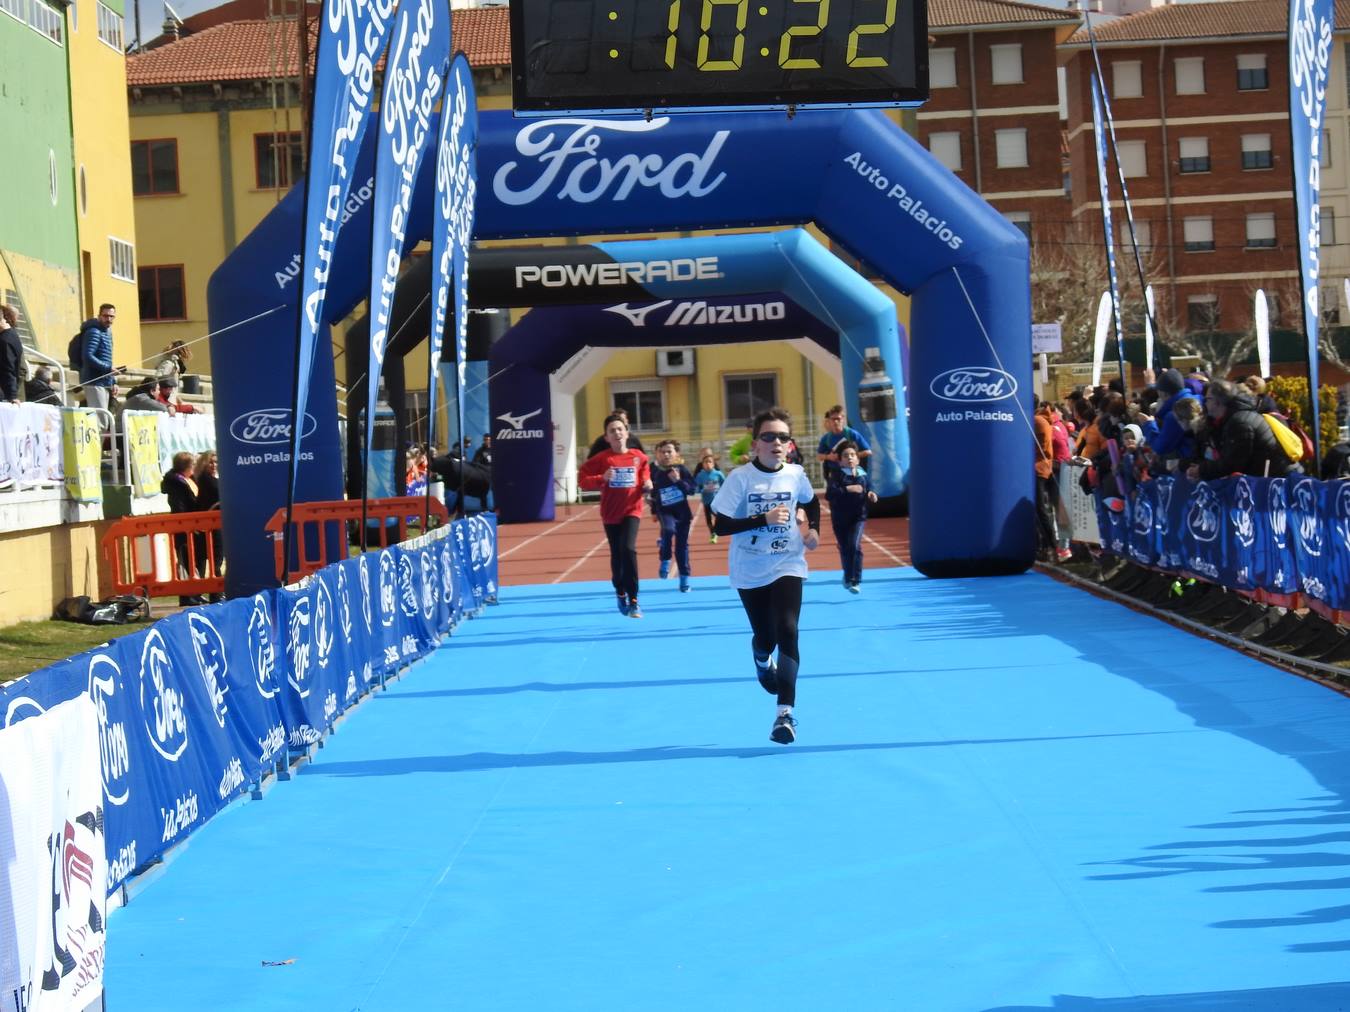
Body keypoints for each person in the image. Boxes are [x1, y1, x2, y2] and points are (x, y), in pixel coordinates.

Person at [711, 407, 821, 745]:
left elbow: (812, 502)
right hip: (750, 570)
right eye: (769, 436)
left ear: (790, 445)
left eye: (783, 437)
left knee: (788, 629)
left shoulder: (795, 474)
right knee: (766, 637)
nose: (777, 442)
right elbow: (722, 525)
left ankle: (784, 716)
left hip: (788, 561)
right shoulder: (741, 478)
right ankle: (761, 657)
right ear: (755, 442)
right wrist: (765, 519)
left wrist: (812, 528)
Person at [577, 413, 653, 618]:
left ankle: (634, 599)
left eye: (620, 429)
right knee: (617, 555)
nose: (617, 433)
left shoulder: (639, 457)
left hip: (632, 510)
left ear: (626, 433)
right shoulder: (603, 459)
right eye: (612, 431)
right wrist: (601, 478)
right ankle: (619, 591)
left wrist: (648, 484)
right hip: (611, 513)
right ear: (606, 437)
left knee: (628, 549)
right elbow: (582, 480)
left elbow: (645, 475)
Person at [1186, 379, 1302, 481]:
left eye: (1208, 399)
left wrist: (1201, 470)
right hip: (1273, 480)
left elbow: (1233, 463)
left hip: (1281, 482)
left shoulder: (1239, 422)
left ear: (1218, 401)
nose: (1204, 403)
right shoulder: (1231, 419)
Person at [824, 439, 876, 592]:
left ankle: (855, 580)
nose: (850, 458)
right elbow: (829, 494)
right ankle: (848, 576)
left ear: (858, 458)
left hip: (858, 516)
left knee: (855, 546)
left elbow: (869, 488)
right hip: (840, 518)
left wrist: (871, 494)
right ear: (840, 461)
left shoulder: (863, 475)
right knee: (846, 548)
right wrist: (848, 489)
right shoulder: (837, 475)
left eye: (853, 455)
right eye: (846, 455)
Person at [649, 438, 696, 592]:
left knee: (682, 547)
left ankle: (684, 579)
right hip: (665, 511)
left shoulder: (681, 469)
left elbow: (691, 490)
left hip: (682, 513)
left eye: (669, 451)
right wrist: (654, 511)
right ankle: (665, 559)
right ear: (657, 454)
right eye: (662, 452)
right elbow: (653, 494)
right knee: (668, 531)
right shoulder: (654, 471)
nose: (666, 454)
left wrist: (678, 481)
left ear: (676, 453)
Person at [161, 450, 205, 606]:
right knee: (185, 561)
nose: (194, 467)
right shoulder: (177, 483)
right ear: (186, 466)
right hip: (183, 528)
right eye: (192, 464)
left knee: (195, 560)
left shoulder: (189, 480)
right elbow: (179, 507)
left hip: (195, 527)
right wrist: (187, 523)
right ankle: (186, 596)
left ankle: (196, 592)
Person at [193, 451, 224, 602]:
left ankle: (216, 593)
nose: (214, 465)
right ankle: (216, 593)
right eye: (210, 462)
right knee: (215, 559)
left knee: (216, 559)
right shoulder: (206, 480)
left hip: (218, 523)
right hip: (210, 524)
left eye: (216, 462)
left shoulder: (216, 478)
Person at [79, 303, 119, 415]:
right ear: (99, 316)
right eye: (106, 316)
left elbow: (107, 358)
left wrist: (113, 381)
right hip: (94, 381)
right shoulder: (94, 332)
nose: (109, 319)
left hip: (104, 381)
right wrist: (108, 368)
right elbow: (87, 356)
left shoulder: (107, 333)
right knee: (100, 419)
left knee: (104, 418)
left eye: (111, 316)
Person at [816, 405, 872, 483]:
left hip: (853, 471)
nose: (835, 422)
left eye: (838, 419)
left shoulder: (852, 434)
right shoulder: (826, 438)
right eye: (833, 419)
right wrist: (829, 457)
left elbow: (868, 452)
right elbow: (819, 456)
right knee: (837, 493)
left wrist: (852, 456)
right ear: (829, 420)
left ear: (843, 419)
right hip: (836, 473)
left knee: (861, 491)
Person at [691, 451, 726, 542]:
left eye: (710, 462)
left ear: (713, 464)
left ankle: (717, 529)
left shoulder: (718, 474)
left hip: (717, 501)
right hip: (707, 501)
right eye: (705, 462)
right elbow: (696, 487)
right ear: (702, 465)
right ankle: (713, 534)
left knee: (719, 518)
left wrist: (722, 491)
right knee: (708, 520)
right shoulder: (700, 475)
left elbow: (725, 485)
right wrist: (701, 490)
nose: (707, 464)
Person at [0, 304, 23, 404]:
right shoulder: (12, 335)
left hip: (4, 395)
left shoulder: (5, 341)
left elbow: (8, 369)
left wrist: (12, 396)